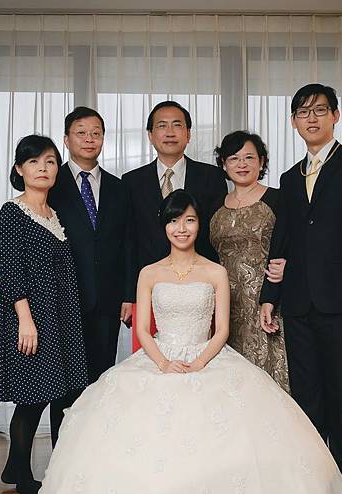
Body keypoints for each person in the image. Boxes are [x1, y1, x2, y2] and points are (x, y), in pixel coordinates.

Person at [31, 190, 342, 494]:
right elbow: (144, 330)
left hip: (207, 355)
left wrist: (200, 362)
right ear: (164, 226)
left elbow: (223, 330)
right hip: (160, 357)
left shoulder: (215, 271)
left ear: (199, 225)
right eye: (173, 221)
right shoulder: (149, 273)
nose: (181, 228)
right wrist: (163, 363)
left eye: (189, 220)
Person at [260, 84, 342, 494]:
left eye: (319, 110)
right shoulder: (289, 177)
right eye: (303, 112)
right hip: (298, 301)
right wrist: (270, 297)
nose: (311, 118)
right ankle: (315, 477)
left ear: (336, 116)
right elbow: (283, 242)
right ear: (293, 122)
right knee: (307, 394)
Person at [0, 135, 87, 494]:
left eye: (49, 161)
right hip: (29, 316)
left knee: (50, 392)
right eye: (33, 162)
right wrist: (26, 321)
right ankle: (22, 475)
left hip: (58, 315)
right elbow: (12, 270)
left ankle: (13, 466)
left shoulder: (54, 214)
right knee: (32, 396)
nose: (42, 168)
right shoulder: (12, 213)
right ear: (19, 169)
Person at [48, 107, 136, 385]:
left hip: (108, 300)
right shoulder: (51, 184)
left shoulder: (119, 187)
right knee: (65, 385)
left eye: (96, 133)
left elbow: (127, 243)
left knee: (101, 381)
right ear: (66, 140)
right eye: (81, 133)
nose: (89, 139)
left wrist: (129, 295)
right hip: (63, 300)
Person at [210, 131, 289, 392]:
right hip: (225, 304)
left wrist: (284, 273)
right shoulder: (214, 204)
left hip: (269, 301)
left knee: (269, 378)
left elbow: (293, 246)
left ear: (262, 161)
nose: (241, 164)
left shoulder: (279, 199)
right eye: (234, 158)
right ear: (224, 164)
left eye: (249, 157)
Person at [122, 100, 227, 270]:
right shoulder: (131, 181)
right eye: (162, 126)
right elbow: (128, 241)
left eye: (177, 125)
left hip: (200, 274)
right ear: (150, 135)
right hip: (149, 276)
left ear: (188, 134)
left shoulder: (212, 177)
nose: (170, 133)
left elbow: (218, 234)